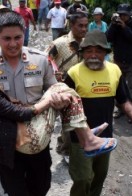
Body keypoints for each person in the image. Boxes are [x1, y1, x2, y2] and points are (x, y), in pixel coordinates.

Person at [0, 11, 70, 196]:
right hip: (7, 144)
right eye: (6, 38)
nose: (12, 44)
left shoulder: (41, 60)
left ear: (24, 33)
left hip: (38, 140)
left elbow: (53, 89)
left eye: (17, 37)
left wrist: (59, 100)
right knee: (16, 195)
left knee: (42, 186)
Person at [63, 30, 132, 196]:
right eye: (88, 51)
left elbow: (123, 100)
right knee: (83, 178)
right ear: (82, 53)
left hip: (105, 138)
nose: (93, 55)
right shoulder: (73, 73)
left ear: (106, 53)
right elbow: (63, 108)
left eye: (99, 51)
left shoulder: (114, 71)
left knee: (99, 176)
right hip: (80, 138)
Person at [47, 11, 88, 160]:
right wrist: (54, 74)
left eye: (86, 26)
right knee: (68, 121)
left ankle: (72, 145)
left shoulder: (87, 43)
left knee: (80, 119)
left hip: (82, 87)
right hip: (63, 89)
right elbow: (45, 61)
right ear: (71, 25)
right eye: (80, 26)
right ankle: (66, 150)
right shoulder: (59, 44)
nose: (84, 29)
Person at [106, 3, 132, 120]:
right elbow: (107, 38)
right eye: (120, 14)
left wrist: (124, 28)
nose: (122, 17)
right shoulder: (115, 24)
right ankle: (120, 109)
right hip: (118, 62)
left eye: (125, 15)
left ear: (130, 15)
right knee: (118, 88)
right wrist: (113, 25)